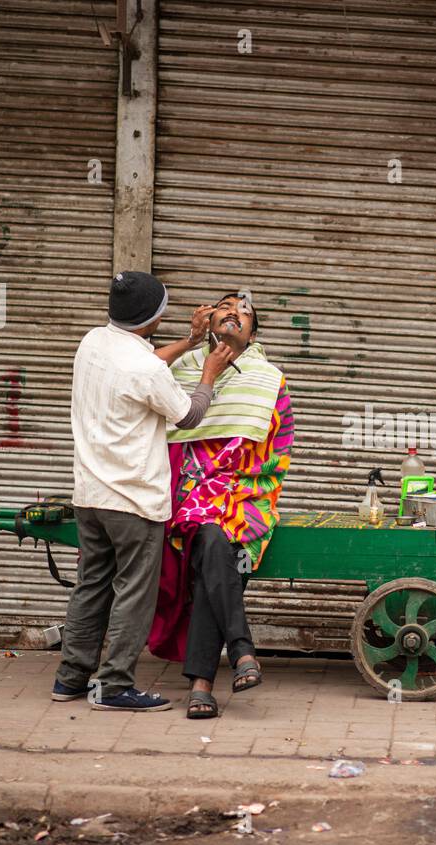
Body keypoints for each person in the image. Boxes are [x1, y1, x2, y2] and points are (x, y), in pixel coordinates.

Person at [53, 271, 234, 712]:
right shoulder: (148, 368)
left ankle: (71, 677)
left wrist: (190, 343)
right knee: (134, 590)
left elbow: (145, 364)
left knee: (91, 584)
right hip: (132, 499)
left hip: (91, 495)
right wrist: (209, 372)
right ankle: (114, 686)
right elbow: (188, 415)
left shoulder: (93, 341)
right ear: (152, 318)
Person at [146, 293, 294, 719]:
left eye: (245, 312)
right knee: (214, 540)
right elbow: (140, 375)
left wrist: (235, 477)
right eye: (226, 305)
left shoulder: (268, 379)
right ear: (208, 318)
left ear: (254, 333)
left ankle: (203, 683)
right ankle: (239, 650)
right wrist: (191, 342)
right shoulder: (181, 367)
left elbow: (278, 448)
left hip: (247, 493)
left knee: (213, 543)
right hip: (185, 493)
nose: (235, 312)